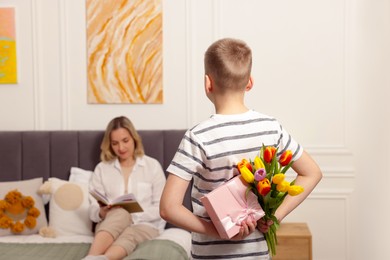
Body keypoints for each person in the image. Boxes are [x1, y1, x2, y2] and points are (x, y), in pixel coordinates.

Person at [159, 38, 322, 260]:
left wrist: (217, 230)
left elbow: (168, 208)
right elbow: (312, 173)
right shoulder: (271, 128)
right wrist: (274, 216)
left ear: (208, 83)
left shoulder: (197, 137)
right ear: (250, 82)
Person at [83, 116, 166, 260]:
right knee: (120, 215)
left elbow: (161, 208)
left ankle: (92, 257)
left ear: (134, 138)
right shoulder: (102, 169)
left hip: (145, 225)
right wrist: (102, 212)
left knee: (129, 231)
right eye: (115, 143)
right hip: (110, 224)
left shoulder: (152, 166)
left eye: (125, 141)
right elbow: (93, 208)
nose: (121, 148)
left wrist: (132, 215)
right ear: (109, 144)